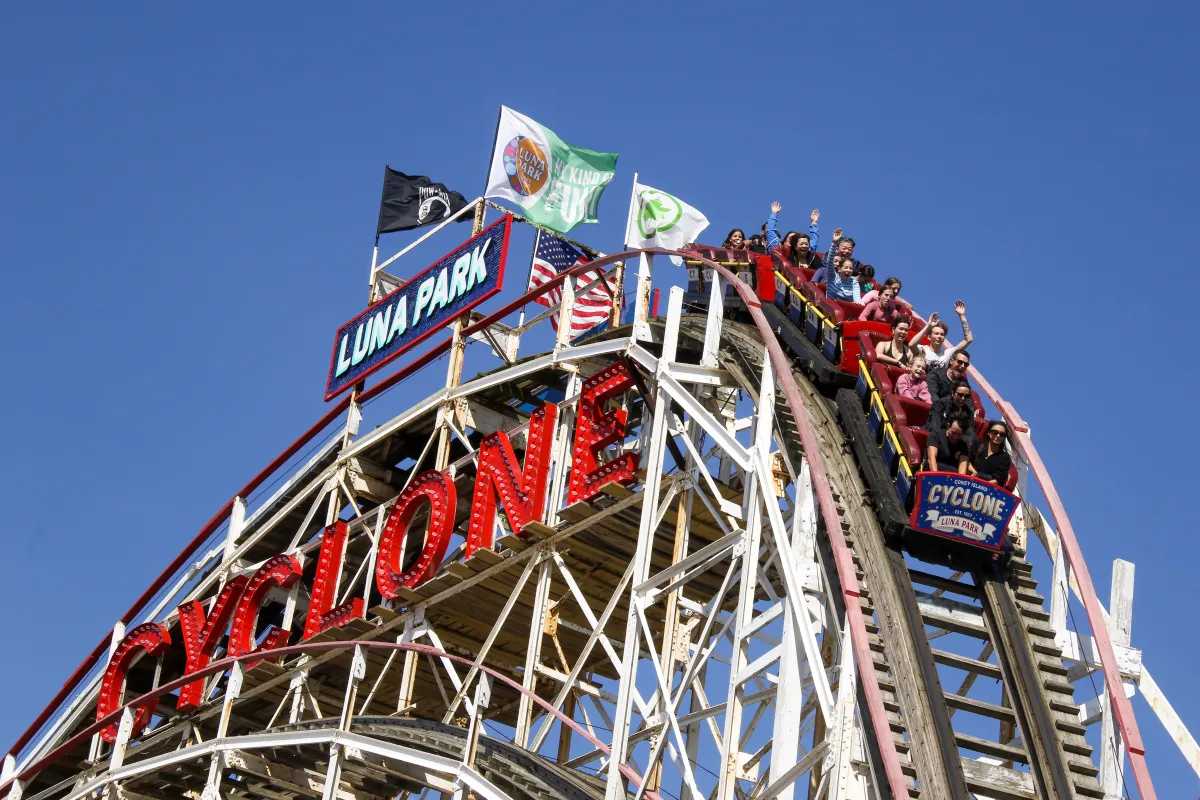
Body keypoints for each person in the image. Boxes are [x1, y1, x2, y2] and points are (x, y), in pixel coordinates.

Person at [917, 300, 974, 368]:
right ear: (929, 337)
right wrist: (928, 325)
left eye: (942, 334)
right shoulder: (921, 349)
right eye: (936, 333)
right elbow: (911, 345)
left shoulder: (947, 354)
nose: (939, 336)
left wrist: (962, 316)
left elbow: (968, 339)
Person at [927, 379, 977, 444]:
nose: (963, 399)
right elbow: (935, 427)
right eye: (960, 395)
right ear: (953, 393)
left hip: (955, 442)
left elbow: (970, 433)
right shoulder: (940, 404)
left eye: (966, 396)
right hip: (936, 439)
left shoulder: (968, 411)